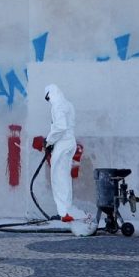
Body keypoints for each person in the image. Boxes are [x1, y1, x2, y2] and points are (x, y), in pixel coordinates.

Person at [42, 84, 91, 232]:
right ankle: (67, 209)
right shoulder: (68, 104)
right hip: (70, 142)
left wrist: (49, 141)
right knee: (64, 176)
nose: (48, 100)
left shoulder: (57, 106)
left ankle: (64, 212)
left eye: (48, 97)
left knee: (58, 177)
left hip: (62, 144)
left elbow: (60, 127)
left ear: (51, 94)